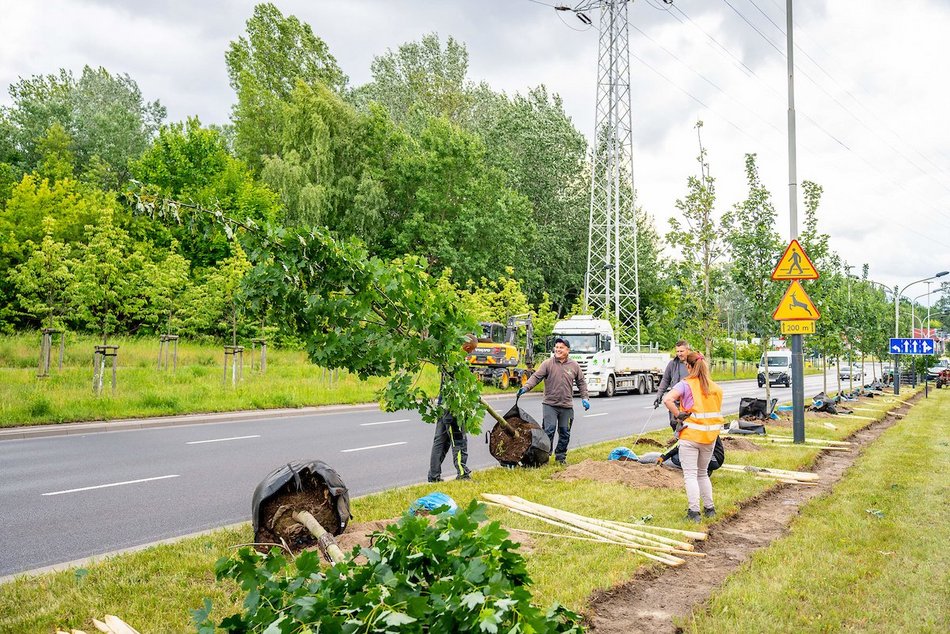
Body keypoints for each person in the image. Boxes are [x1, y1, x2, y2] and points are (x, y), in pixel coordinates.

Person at [662, 351, 724, 523]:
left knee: (690, 475)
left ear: (688, 366)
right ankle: (710, 509)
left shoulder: (686, 384)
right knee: (703, 474)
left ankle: (694, 512)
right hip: (709, 437)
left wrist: (678, 414)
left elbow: (667, 399)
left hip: (690, 435)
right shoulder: (716, 388)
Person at [517, 337, 589, 465]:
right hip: (550, 405)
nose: (558, 350)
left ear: (568, 350)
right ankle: (543, 458)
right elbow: (536, 377)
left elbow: (581, 382)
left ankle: (561, 457)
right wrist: (526, 387)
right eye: (557, 347)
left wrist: (585, 398)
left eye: (561, 348)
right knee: (548, 431)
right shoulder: (548, 364)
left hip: (566, 406)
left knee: (565, 433)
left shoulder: (574, 365)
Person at [427, 335, 477, 482]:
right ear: (467, 347)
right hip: (453, 409)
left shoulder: (449, 358)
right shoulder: (457, 363)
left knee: (440, 442)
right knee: (459, 441)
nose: (471, 353)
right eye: (471, 350)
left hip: (443, 406)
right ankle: (463, 474)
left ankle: (433, 476)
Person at [655, 340, 691, 431]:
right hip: (675, 401)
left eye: (681, 351)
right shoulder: (672, 364)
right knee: (673, 422)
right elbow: (665, 380)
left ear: (688, 350)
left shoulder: (694, 363)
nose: (679, 354)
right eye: (677, 351)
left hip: (689, 401)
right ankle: (677, 437)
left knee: (688, 425)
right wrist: (659, 395)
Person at [656, 436, 725, 474]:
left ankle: (697, 472)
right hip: (717, 458)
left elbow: (679, 445)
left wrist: (663, 457)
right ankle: (705, 470)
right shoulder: (708, 424)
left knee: (675, 457)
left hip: (712, 460)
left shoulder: (693, 428)